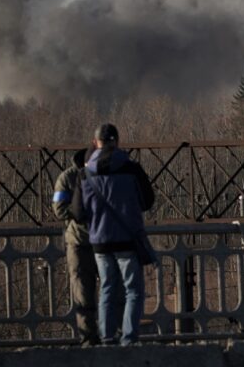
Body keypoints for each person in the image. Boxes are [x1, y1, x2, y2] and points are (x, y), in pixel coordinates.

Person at [72, 123, 155, 346]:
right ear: (117, 141)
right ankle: (129, 339)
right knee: (133, 291)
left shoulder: (84, 173)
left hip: (100, 241)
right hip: (127, 240)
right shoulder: (131, 168)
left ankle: (107, 338)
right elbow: (147, 201)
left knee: (107, 288)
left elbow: (77, 213)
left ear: (95, 142)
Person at [52, 147, 99, 345]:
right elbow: (59, 209)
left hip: (87, 241)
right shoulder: (68, 178)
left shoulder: (68, 177)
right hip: (82, 242)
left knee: (87, 293)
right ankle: (90, 339)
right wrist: (81, 212)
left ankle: (95, 338)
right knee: (84, 295)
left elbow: (60, 209)